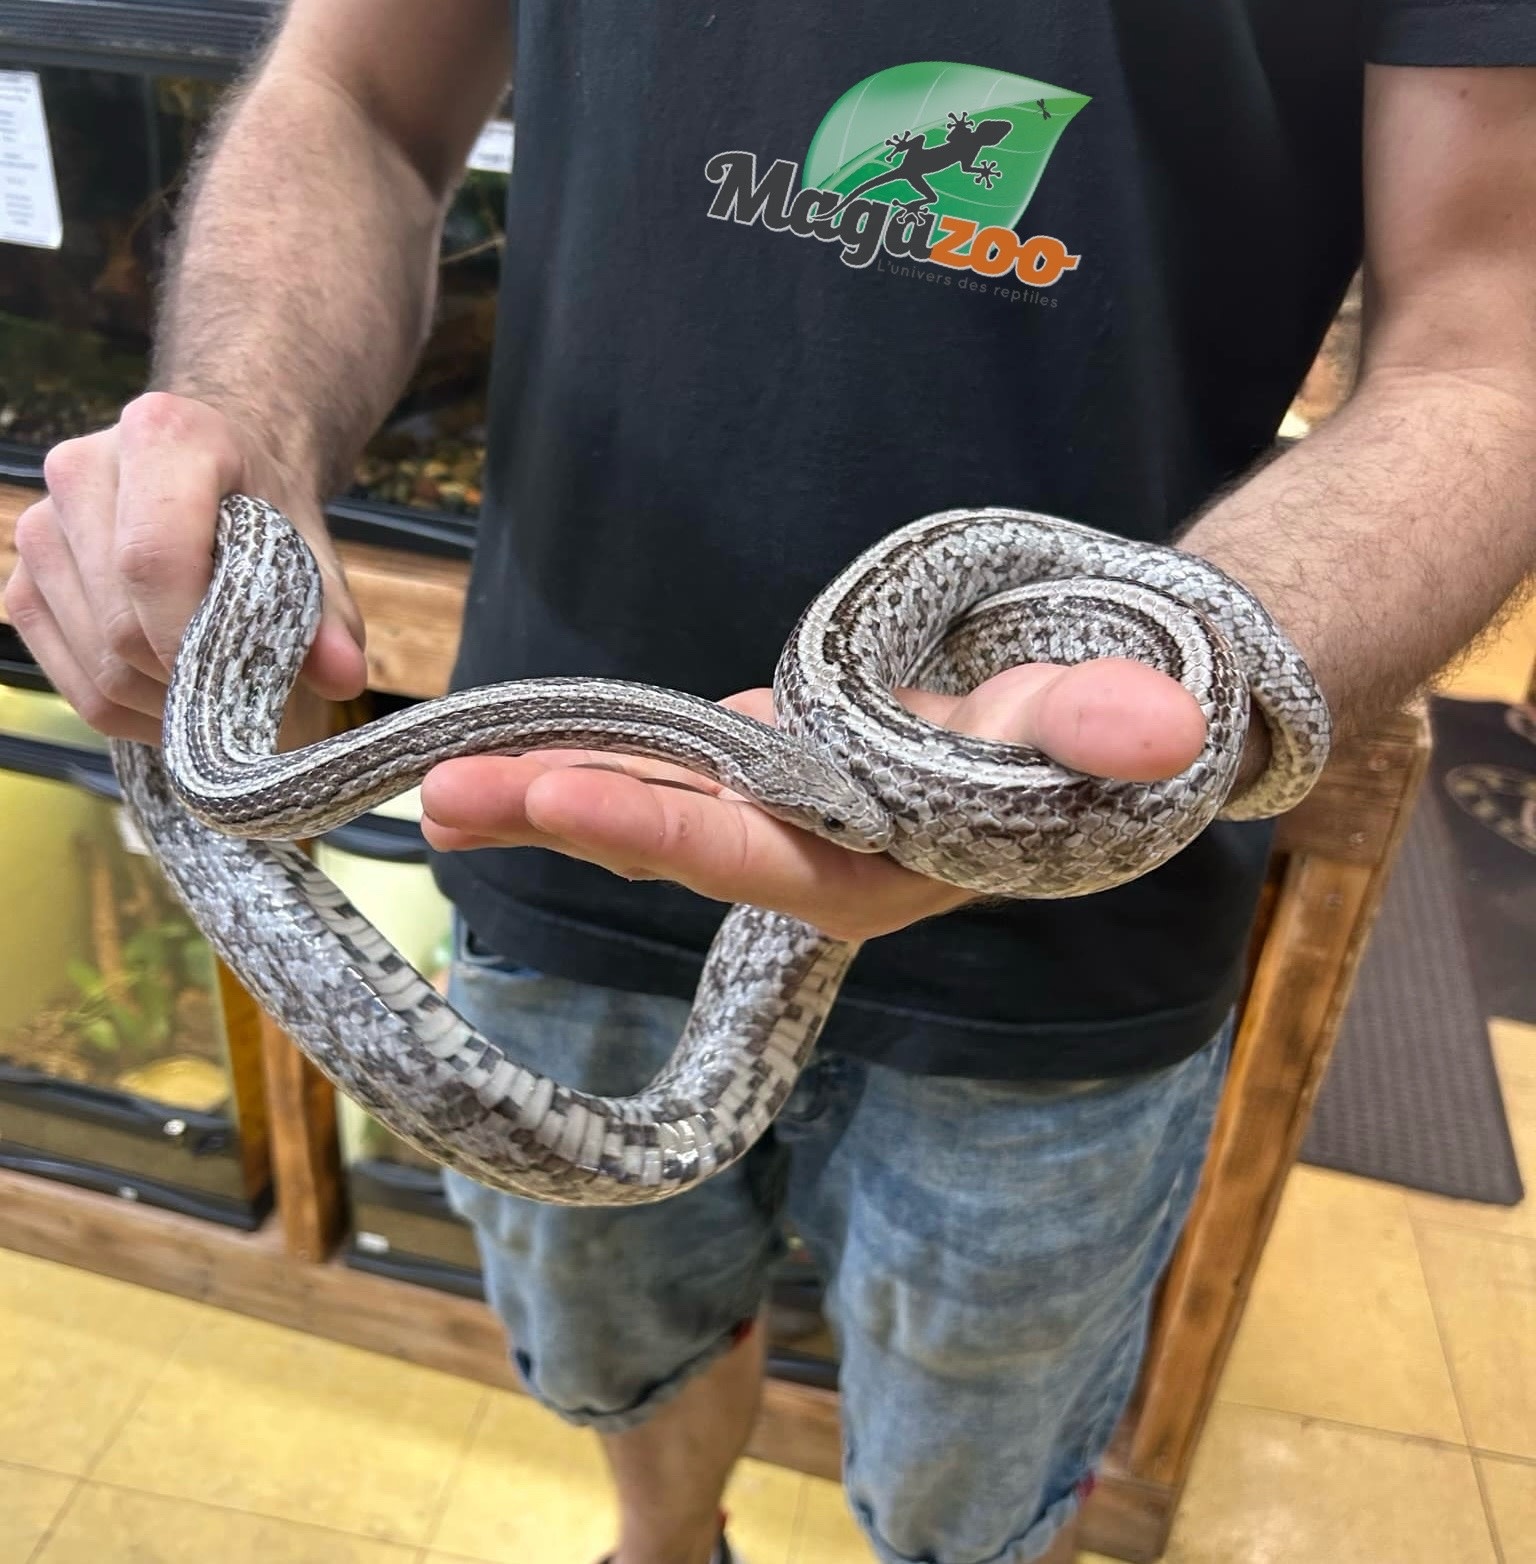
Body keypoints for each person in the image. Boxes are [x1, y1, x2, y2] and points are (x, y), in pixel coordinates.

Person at [7, 5, 1535, 1562]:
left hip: (1082, 914)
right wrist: (239, 433)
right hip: (560, 822)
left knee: (974, 1478)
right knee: (613, 1350)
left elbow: (1495, 349)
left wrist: (1195, 673)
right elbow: (355, 93)